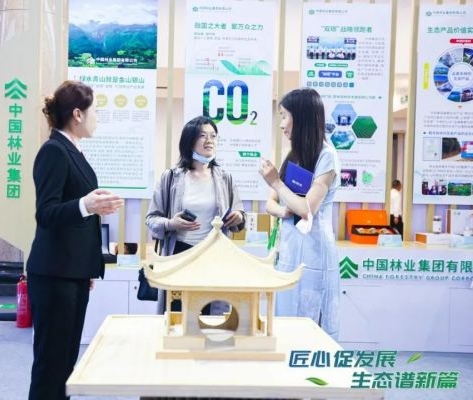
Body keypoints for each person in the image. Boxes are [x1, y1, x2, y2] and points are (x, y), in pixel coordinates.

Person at [26, 80, 124, 400]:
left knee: (66, 361)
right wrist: (86, 204)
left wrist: (86, 266)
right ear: (78, 114)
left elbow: (73, 211)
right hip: (54, 274)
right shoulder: (54, 151)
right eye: (96, 111)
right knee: (52, 364)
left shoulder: (73, 150)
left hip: (71, 272)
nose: (98, 118)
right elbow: (46, 213)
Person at [258, 88, 341, 340]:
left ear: (302, 118)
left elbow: (307, 209)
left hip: (314, 251)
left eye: (285, 116)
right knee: (285, 315)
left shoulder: (327, 157)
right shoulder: (294, 155)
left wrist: (276, 182)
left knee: (310, 320)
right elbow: (270, 204)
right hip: (289, 248)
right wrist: (284, 210)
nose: (282, 124)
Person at [146, 115, 246, 313]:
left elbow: (240, 214)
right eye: (202, 135)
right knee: (177, 314)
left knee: (210, 317)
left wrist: (238, 217)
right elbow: (151, 219)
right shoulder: (171, 177)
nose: (209, 141)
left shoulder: (225, 178)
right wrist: (171, 224)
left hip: (214, 254)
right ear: (189, 140)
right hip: (180, 253)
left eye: (213, 136)